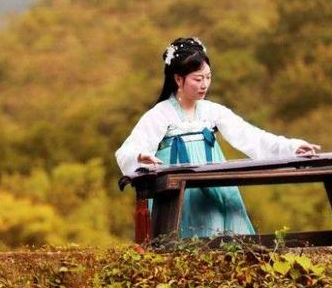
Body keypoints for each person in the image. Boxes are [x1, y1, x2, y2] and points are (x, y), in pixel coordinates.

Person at [115, 37, 321, 238]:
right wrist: (140, 156)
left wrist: (291, 147)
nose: (204, 84)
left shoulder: (212, 111)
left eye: (208, 77)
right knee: (183, 241)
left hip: (214, 185)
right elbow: (128, 150)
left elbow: (250, 135)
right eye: (198, 79)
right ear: (178, 79)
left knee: (225, 239)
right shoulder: (160, 114)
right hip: (179, 194)